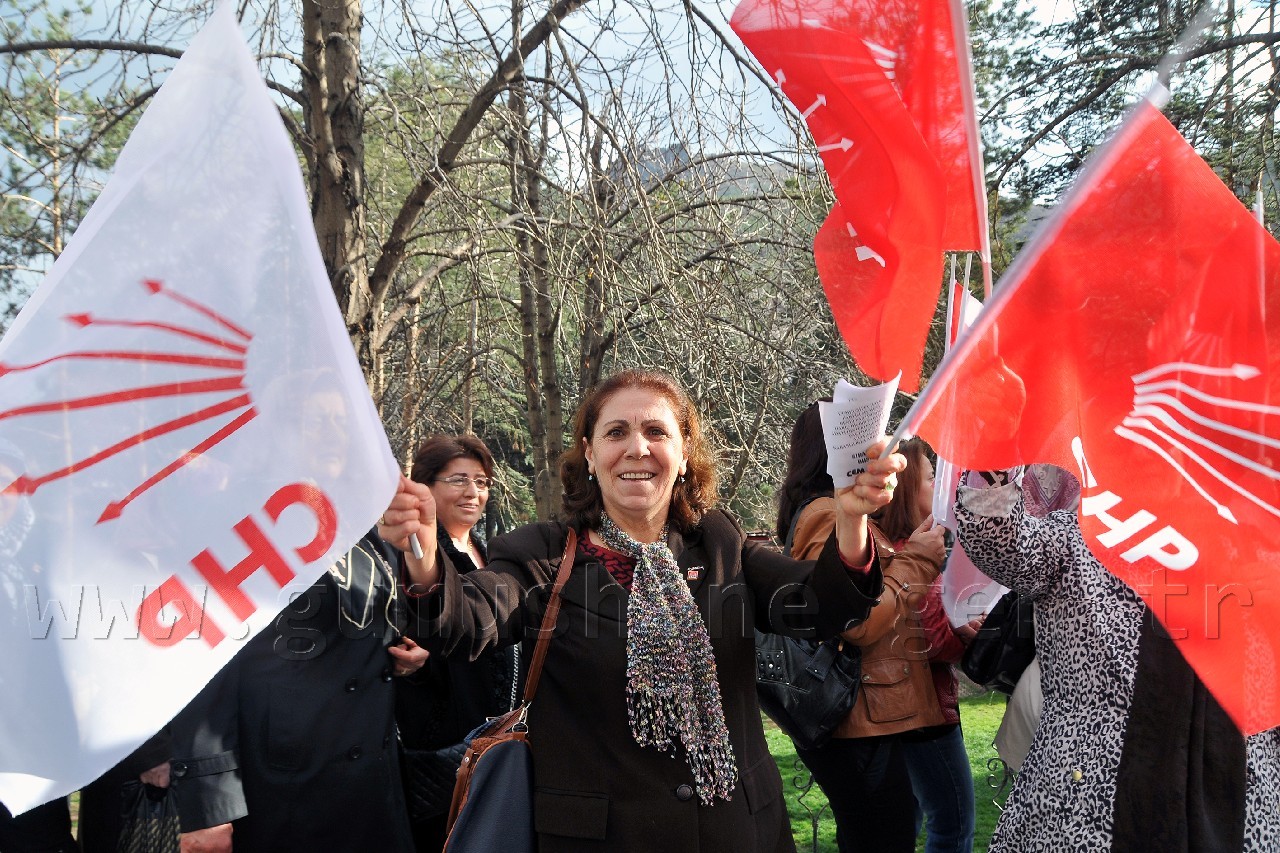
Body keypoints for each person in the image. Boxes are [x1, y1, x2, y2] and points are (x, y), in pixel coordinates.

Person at [381, 369, 900, 853]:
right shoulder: (540, 555)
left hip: (738, 830)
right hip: (604, 837)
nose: (637, 448)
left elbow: (817, 608)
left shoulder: (719, 543)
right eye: (616, 433)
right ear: (588, 453)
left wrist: (850, 521)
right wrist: (423, 557)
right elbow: (467, 619)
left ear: (683, 450)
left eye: (657, 431)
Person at [167, 371, 426, 853]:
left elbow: (364, 623)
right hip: (284, 788)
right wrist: (208, 804)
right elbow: (203, 668)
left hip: (373, 784)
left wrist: (396, 655)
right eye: (314, 420)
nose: (331, 433)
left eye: (340, 421)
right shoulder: (239, 523)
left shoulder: (361, 520)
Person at [955, 467, 1280, 851]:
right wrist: (993, 452)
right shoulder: (1081, 533)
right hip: (1086, 806)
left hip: (1241, 799)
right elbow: (999, 540)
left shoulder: (1260, 545)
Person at [776, 411, 970, 853]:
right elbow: (857, 621)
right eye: (861, 440)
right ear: (833, 449)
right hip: (855, 721)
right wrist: (918, 559)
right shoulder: (827, 515)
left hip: (867, 719)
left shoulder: (833, 512)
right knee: (885, 836)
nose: (879, 453)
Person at [394, 435, 520, 853]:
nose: (473, 492)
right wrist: (415, 659)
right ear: (425, 488)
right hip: (440, 748)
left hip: (499, 744)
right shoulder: (410, 559)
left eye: (482, 482)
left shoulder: (494, 557)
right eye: (459, 480)